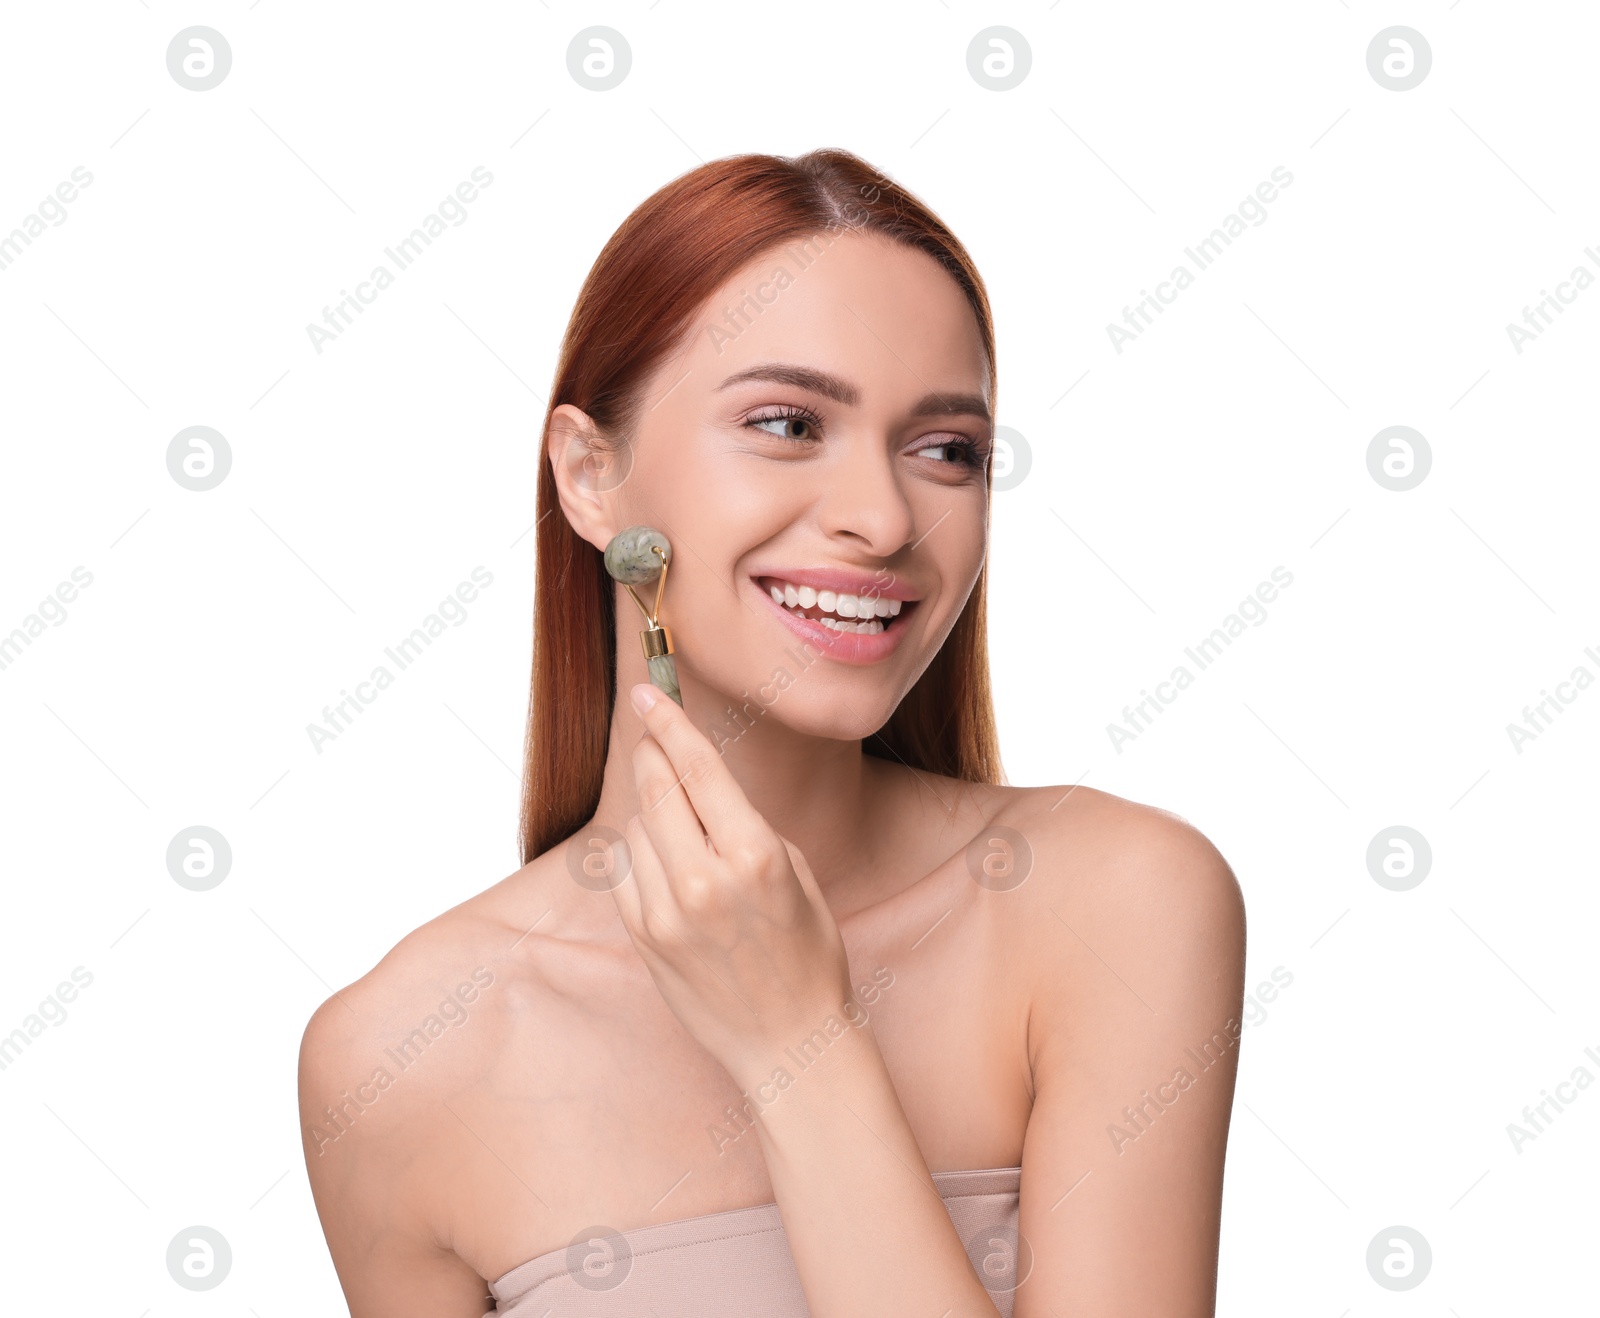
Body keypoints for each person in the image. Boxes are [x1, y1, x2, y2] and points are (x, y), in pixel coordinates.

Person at [298, 148, 1246, 1317]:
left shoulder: (1114, 903)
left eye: (945, 449)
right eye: (789, 422)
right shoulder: (399, 1061)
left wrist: (798, 1042)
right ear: (591, 477)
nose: (885, 516)